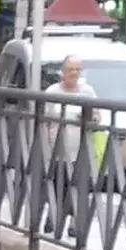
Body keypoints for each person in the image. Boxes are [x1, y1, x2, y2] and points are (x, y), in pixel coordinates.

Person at [43, 55, 98, 237]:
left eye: (77, 69)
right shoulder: (52, 92)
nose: (74, 73)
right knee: (58, 185)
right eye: (70, 69)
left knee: (78, 187)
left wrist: (89, 119)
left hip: (80, 152)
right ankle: (53, 217)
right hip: (57, 152)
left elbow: (98, 118)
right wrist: (44, 147)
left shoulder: (88, 92)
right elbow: (43, 121)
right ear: (62, 72)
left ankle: (74, 225)